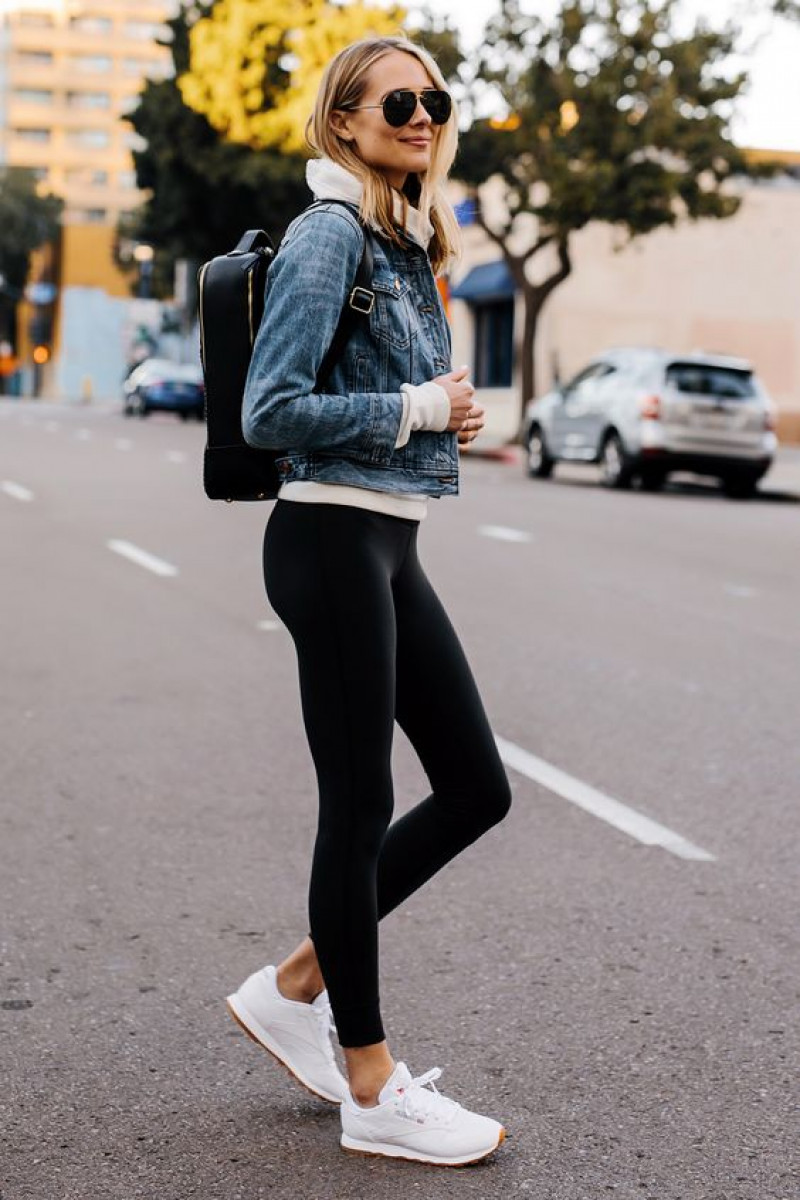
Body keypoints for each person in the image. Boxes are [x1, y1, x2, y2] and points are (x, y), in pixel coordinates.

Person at [229, 35, 512, 1167]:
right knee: (356, 808)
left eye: (435, 101)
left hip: (386, 541)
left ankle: (298, 982)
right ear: (342, 119)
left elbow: (400, 399)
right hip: (328, 538)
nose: (421, 115)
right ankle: (368, 1085)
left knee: (477, 788)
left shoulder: (403, 238)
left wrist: (442, 412)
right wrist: (412, 409)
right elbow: (270, 407)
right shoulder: (328, 232)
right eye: (397, 99)